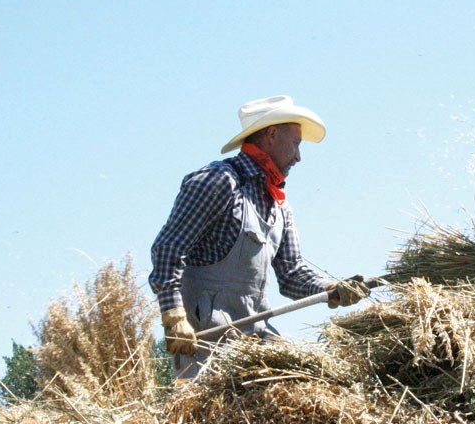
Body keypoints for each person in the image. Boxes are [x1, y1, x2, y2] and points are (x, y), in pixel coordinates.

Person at [149, 95, 369, 377]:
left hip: (255, 332)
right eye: (296, 143)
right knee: (210, 414)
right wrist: (173, 316)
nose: (299, 157)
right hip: (206, 335)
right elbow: (168, 247)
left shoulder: (279, 205)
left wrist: (332, 289)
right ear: (272, 134)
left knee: (304, 382)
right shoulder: (219, 181)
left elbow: (292, 274)